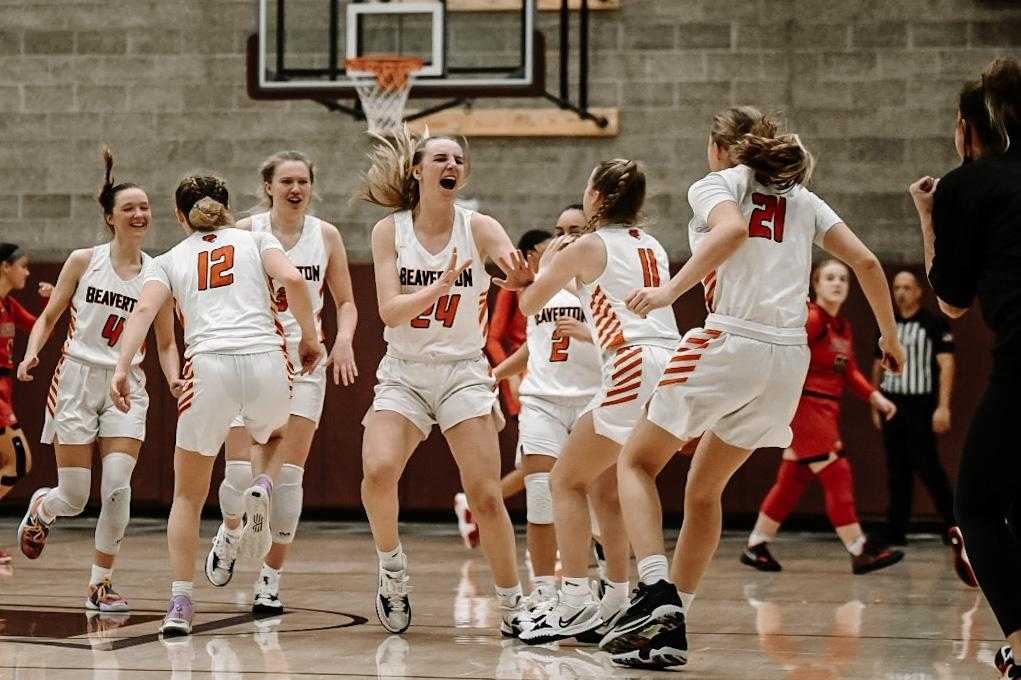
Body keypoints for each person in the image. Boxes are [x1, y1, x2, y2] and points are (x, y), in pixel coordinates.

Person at [599, 106, 905, 669]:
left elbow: (733, 230)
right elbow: (864, 261)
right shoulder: (804, 200)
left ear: (720, 148)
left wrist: (669, 292)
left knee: (636, 463)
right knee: (703, 492)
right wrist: (889, 335)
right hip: (787, 359)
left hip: (730, 342)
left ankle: (653, 590)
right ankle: (669, 628)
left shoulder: (718, 184)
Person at [109, 174, 322, 636]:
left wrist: (122, 367)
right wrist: (310, 336)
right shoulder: (257, 239)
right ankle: (263, 483)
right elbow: (293, 280)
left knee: (187, 495)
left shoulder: (167, 260)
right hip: (264, 357)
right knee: (276, 435)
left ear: (180, 216)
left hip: (206, 367)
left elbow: (143, 312)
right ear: (226, 208)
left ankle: (181, 602)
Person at [358, 128, 532, 636]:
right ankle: (392, 568)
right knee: (378, 471)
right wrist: (437, 286)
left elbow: (511, 265)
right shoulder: (389, 231)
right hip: (405, 372)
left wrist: (520, 277)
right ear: (418, 171)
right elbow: (390, 312)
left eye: (457, 159)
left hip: (461, 370)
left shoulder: (478, 227)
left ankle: (512, 604)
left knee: (484, 494)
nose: (449, 164)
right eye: (439, 157)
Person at [508, 159, 681, 645]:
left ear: (598, 198)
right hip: (672, 367)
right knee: (611, 485)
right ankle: (622, 599)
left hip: (631, 362)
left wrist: (547, 262)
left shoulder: (586, 244)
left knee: (565, 480)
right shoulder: (653, 244)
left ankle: (575, 599)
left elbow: (528, 303)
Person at [16, 148, 181, 612]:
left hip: (127, 388)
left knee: (116, 486)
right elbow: (50, 316)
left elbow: (167, 341)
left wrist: (171, 379)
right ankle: (42, 510)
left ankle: (99, 584)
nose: (140, 213)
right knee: (73, 495)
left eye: (145, 206)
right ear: (110, 218)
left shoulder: (159, 273)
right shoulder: (82, 260)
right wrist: (31, 355)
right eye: (129, 207)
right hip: (75, 378)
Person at [203, 151, 359, 616]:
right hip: (250, 354)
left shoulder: (325, 235)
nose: (296, 189)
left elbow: (346, 302)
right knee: (238, 474)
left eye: (303, 181)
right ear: (268, 186)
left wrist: (345, 340)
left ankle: (270, 580)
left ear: (312, 186)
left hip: (304, 359)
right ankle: (231, 533)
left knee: (288, 475)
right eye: (286, 181)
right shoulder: (245, 233)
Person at [911, 58, 1021, 678]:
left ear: (967, 129)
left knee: (976, 507)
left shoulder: (968, 184)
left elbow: (951, 299)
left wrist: (928, 216)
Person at [741, 259, 904, 575]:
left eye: (843, 278)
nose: (837, 283)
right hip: (805, 408)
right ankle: (859, 549)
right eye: (829, 278)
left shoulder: (841, 326)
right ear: (816, 284)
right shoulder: (812, 319)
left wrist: (875, 396)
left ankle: (756, 545)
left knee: (793, 479)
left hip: (825, 408)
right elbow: (783, 357)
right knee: (837, 470)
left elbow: (848, 370)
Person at [491, 220, 603, 610]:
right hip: (541, 400)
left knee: (597, 504)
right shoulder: (540, 289)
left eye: (575, 233)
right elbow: (534, 346)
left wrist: (588, 333)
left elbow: (628, 334)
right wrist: (498, 373)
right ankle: (542, 591)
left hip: (594, 399)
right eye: (561, 234)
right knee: (540, 498)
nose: (566, 239)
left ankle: (595, 588)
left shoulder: (602, 285)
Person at [455, 226, 561, 550]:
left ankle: (475, 504)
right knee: (546, 464)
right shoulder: (516, 288)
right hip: (527, 377)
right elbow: (493, 335)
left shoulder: (564, 283)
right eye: (548, 248)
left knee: (548, 464)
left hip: (559, 377)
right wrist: (507, 375)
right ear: (530, 255)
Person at [870, 270, 959, 548]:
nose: (900, 293)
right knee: (897, 469)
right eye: (896, 287)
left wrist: (943, 407)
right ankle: (896, 530)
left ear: (919, 292)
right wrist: (875, 401)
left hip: (921, 404)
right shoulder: (888, 324)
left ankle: (954, 525)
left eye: (907, 288)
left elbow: (947, 365)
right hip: (892, 404)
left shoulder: (934, 323)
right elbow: (876, 365)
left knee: (929, 467)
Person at [0, 245, 53, 564]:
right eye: (22, 266)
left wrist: (56, 300)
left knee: (13, 462)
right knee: (18, 460)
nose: (28, 272)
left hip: (6, 389)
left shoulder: (8, 304)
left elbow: (40, 327)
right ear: (5, 267)